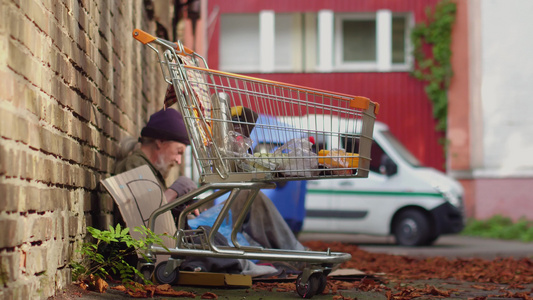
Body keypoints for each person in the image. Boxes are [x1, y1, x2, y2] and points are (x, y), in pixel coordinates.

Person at [114, 107, 306, 253]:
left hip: (185, 232)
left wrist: (185, 204)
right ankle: (299, 257)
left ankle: (295, 256)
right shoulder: (135, 166)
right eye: (179, 152)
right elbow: (143, 219)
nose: (179, 160)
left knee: (249, 196)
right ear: (161, 141)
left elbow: (159, 209)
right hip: (178, 242)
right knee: (250, 198)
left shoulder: (149, 168)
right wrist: (176, 191)